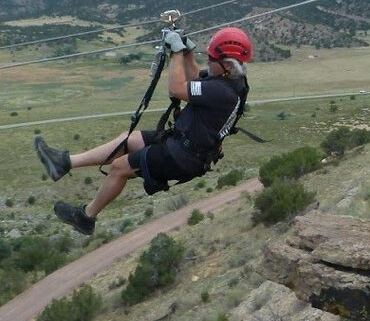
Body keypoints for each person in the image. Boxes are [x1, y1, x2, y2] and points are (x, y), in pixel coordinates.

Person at [34, 26, 253, 236]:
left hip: (183, 157)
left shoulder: (222, 91)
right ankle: (64, 163)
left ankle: (86, 217)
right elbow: (197, 79)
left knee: (120, 167)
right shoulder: (231, 81)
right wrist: (186, 53)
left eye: (212, 59)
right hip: (182, 144)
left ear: (229, 65)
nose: (208, 60)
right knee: (128, 140)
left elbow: (177, 88)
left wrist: (176, 53)